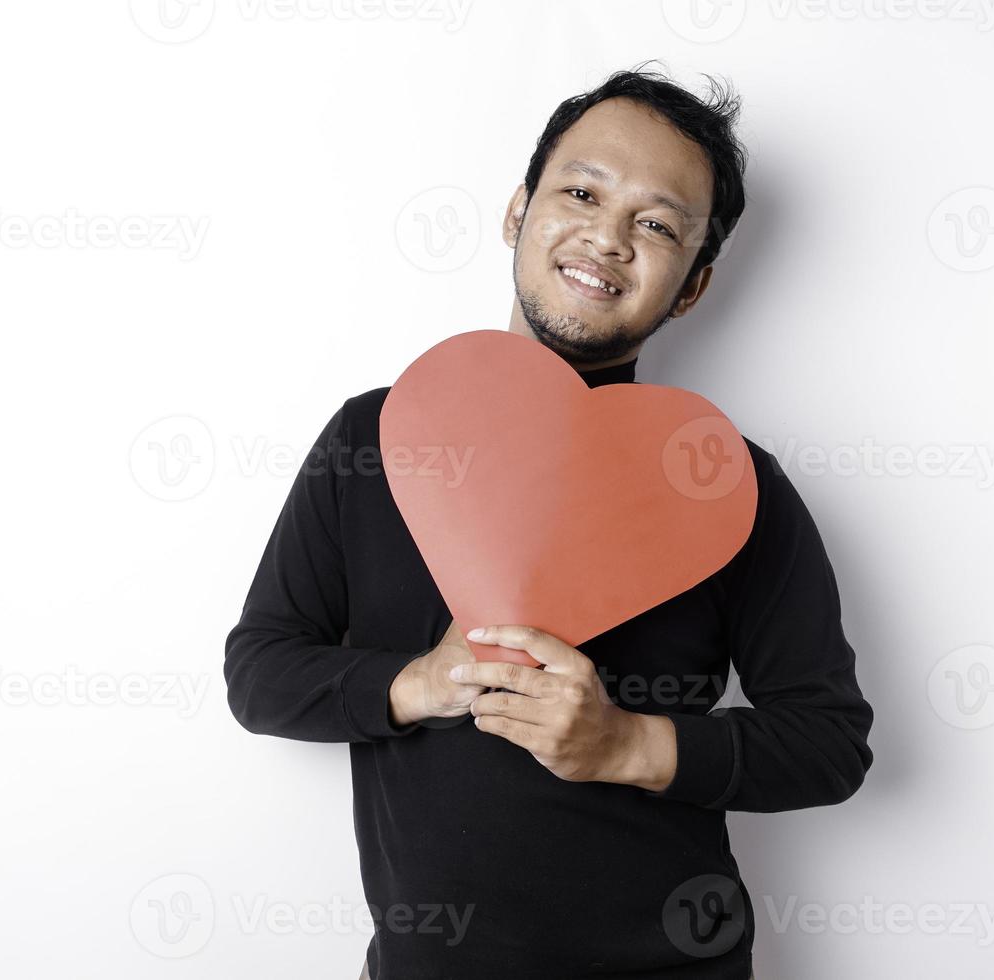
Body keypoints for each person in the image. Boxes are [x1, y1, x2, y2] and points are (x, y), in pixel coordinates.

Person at [224, 62, 873, 980]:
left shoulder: (725, 481)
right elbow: (260, 673)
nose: (608, 238)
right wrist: (419, 682)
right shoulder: (377, 439)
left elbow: (830, 741)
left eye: (655, 225)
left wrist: (627, 743)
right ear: (518, 211)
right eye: (581, 192)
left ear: (692, 286)